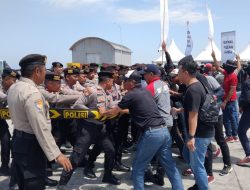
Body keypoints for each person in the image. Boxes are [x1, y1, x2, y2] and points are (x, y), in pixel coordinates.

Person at [106, 70, 184, 190]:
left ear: (132, 82)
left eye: (125, 81)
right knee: (169, 165)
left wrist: (100, 112)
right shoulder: (146, 91)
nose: (122, 83)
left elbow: (113, 111)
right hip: (164, 131)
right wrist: (121, 110)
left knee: (138, 166)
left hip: (152, 133)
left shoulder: (130, 95)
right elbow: (134, 109)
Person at [7, 54, 72, 190]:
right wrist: (56, 154)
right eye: (43, 71)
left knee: (23, 183)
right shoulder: (32, 93)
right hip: (31, 145)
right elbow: (39, 126)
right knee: (34, 183)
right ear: (37, 71)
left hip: (18, 140)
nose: (44, 74)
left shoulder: (14, 87)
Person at [57, 71, 120, 190]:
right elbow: (77, 105)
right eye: (112, 81)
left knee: (110, 150)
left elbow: (111, 106)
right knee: (77, 157)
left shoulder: (108, 93)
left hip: (101, 128)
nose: (113, 83)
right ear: (107, 81)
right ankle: (62, 184)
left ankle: (107, 175)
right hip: (87, 129)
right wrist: (92, 113)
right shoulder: (92, 90)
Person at [172, 55, 214, 190]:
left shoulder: (193, 90)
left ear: (185, 72)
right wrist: (181, 110)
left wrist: (191, 137)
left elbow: (193, 115)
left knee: (197, 166)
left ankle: (202, 187)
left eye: (179, 72)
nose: (178, 75)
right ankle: (200, 183)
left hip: (199, 134)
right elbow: (196, 108)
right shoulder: (195, 86)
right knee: (186, 154)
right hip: (202, 131)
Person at [212, 51, 241, 142]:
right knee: (231, 118)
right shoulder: (229, 73)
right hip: (229, 100)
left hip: (229, 100)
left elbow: (232, 90)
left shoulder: (232, 76)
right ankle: (233, 135)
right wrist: (214, 57)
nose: (224, 67)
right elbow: (218, 67)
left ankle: (231, 136)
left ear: (228, 68)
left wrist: (224, 102)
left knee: (229, 118)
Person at [0, 68, 20, 176]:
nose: (14, 83)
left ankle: (4, 166)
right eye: (13, 80)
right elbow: (4, 97)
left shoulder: (9, 88)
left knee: (6, 140)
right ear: (6, 79)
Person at [237, 64, 250, 166]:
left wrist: (241, 107)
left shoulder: (246, 83)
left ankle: (249, 155)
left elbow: (246, 98)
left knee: (241, 131)